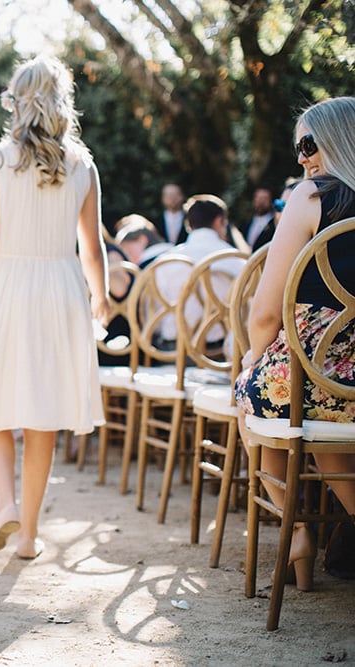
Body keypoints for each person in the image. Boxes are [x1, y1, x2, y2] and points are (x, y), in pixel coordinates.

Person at [0, 56, 108, 559]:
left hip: (8, 287)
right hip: (61, 288)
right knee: (44, 413)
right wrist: (100, 297)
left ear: (15, 102)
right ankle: (30, 536)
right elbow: (93, 246)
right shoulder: (82, 163)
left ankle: (5, 504)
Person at [235, 96, 355, 591]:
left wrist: (251, 357)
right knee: (321, 422)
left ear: (338, 140)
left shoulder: (312, 197)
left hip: (317, 374)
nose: (302, 157)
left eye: (308, 144)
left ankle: (296, 531)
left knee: (251, 393)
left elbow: (265, 312)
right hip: (344, 386)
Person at [151, 195, 246, 350]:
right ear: (219, 221)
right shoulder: (236, 260)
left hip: (173, 348)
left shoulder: (165, 260)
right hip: (220, 350)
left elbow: (152, 310)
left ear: (187, 224)